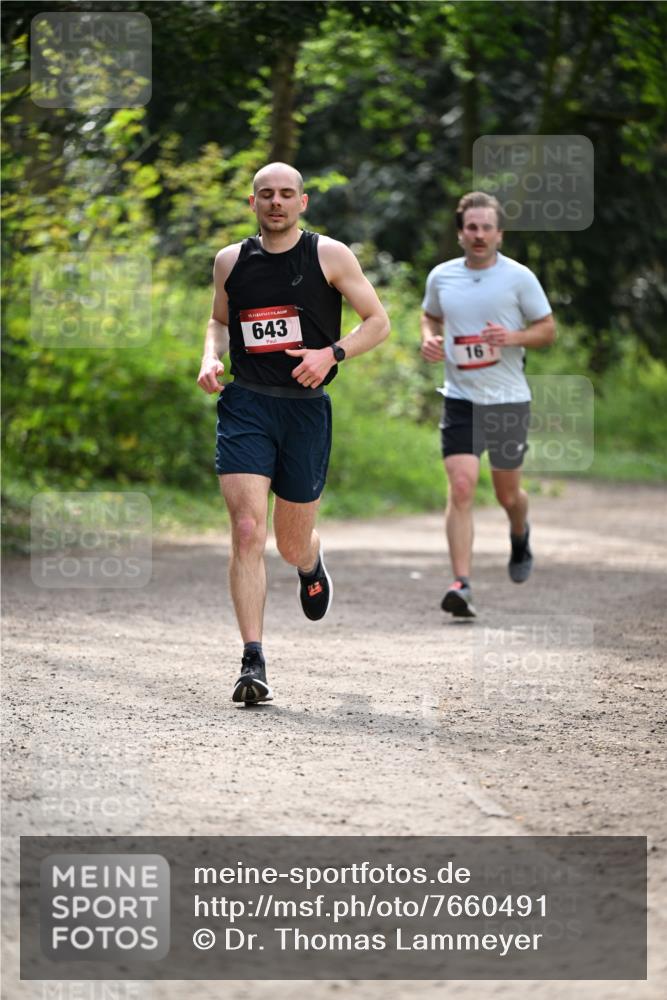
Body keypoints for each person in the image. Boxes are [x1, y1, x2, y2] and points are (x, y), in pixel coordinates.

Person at [197, 162, 390, 702]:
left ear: (302, 202)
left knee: (289, 542)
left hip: (304, 409)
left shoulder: (329, 255)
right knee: (245, 530)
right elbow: (218, 319)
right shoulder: (230, 261)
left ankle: (310, 561)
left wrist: (331, 354)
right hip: (247, 405)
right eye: (266, 194)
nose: (276, 202)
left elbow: (378, 321)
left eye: (286, 194)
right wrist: (211, 357)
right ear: (252, 202)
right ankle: (252, 662)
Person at [420, 191, 555, 618]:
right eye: (471, 228)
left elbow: (547, 330)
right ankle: (462, 584)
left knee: (507, 492)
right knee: (461, 486)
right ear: (461, 233)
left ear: (500, 233)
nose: (479, 235)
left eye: (486, 228)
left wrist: (511, 338)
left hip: (508, 402)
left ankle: (520, 530)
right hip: (460, 399)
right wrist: (429, 337)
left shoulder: (519, 278)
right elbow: (430, 314)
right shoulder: (441, 276)